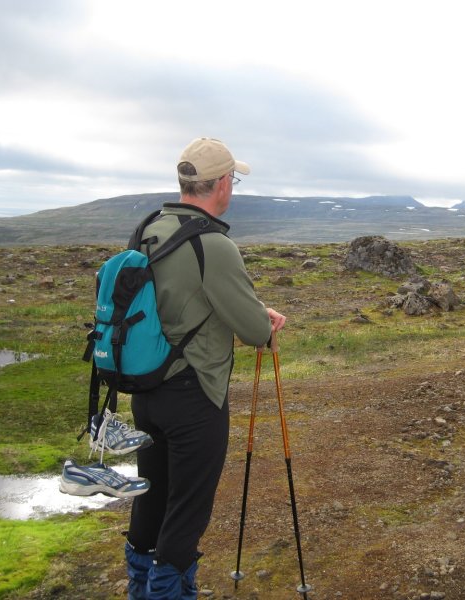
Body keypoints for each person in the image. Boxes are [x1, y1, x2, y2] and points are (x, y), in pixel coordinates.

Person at [124, 137, 286, 599]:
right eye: (232, 180)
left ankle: (140, 586)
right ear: (219, 185)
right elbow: (256, 332)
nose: (232, 188)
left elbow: (175, 300)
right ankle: (169, 591)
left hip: (146, 391)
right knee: (187, 511)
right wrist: (267, 323)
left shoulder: (148, 229)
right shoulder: (213, 244)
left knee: (151, 496)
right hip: (196, 396)